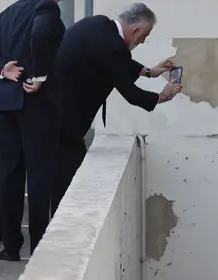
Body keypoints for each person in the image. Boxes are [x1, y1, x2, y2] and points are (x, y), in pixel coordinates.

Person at [51, 3, 182, 210]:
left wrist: (150, 71)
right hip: (65, 121)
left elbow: (118, 61)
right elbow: (131, 93)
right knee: (68, 179)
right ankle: (56, 227)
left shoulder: (99, 24)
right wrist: (161, 96)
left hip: (53, 112)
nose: (143, 41)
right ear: (135, 30)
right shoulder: (112, 47)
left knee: (62, 174)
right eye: (144, 36)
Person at [0, 0, 65, 262]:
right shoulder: (47, 8)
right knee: (39, 175)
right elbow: (39, 33)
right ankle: (39, 245)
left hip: (5, 103)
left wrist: (3, 69)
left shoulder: (10, 11)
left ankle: (10, 246)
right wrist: (39, 75)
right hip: (33, 102)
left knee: (9, 175)